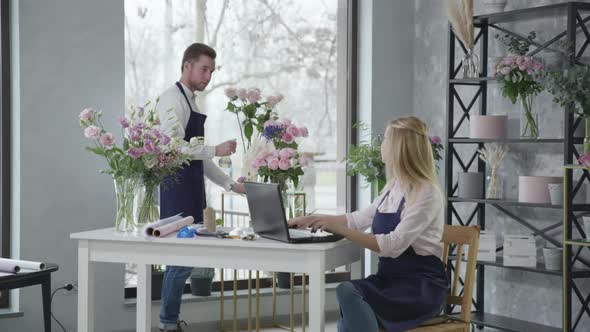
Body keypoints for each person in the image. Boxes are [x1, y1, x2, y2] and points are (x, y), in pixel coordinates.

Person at [289, 116, 448, 332]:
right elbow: (357, 220)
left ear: (399, 147)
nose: (381, 144)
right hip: (389, 280)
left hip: (419, 287)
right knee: (346, 318)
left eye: (385, 139)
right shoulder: (393, 186)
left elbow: (392, 245)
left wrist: (339, 229)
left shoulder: (426, 193)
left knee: (347, 313)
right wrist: (310, 220)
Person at [156, 43, 245, 332]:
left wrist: (231, 184)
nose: (208, 76)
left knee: (184, 259)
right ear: (187, 66)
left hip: (192, 187)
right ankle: (168, 324)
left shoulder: (191, 102)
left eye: (211, 70)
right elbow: (172, 147)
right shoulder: (172, 99)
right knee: (178, 259)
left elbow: (201, 159)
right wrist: (214, 148)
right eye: (203, 69)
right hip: (177, 187)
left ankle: (170, 322)